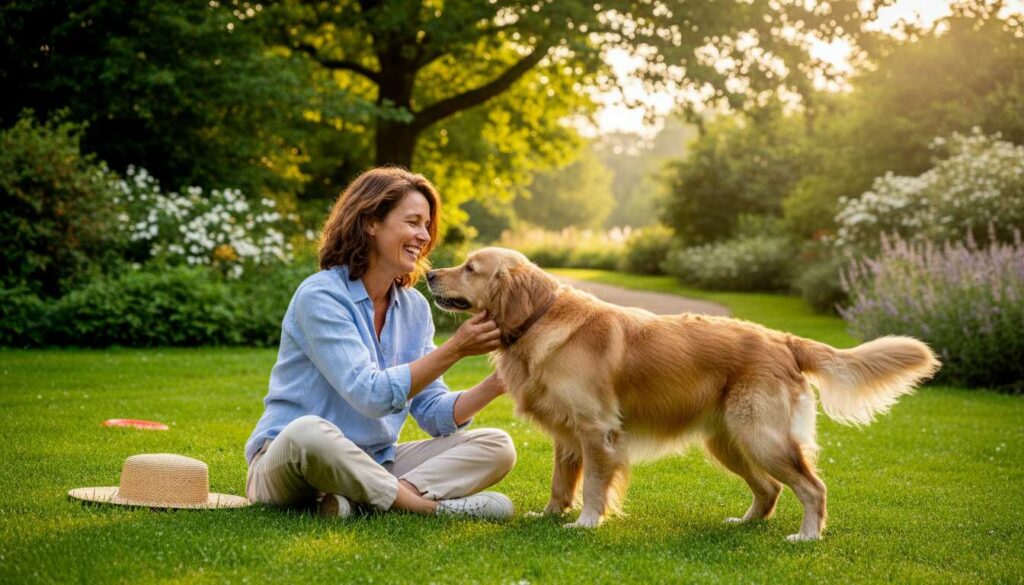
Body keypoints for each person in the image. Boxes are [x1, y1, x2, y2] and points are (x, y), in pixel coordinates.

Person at [244, 167, 516, 520]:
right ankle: (425, 507)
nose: (424, 236)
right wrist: (456, 348)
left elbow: (433, 413)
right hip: (292, 461)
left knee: (497, 445)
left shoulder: (414, 308)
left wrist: (497, 383)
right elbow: (368, 394)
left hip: (376, 461)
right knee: (308, 432)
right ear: (371, 221)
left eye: (427, 226)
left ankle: (357, 501)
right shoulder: (321, 295)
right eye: (413, 222)